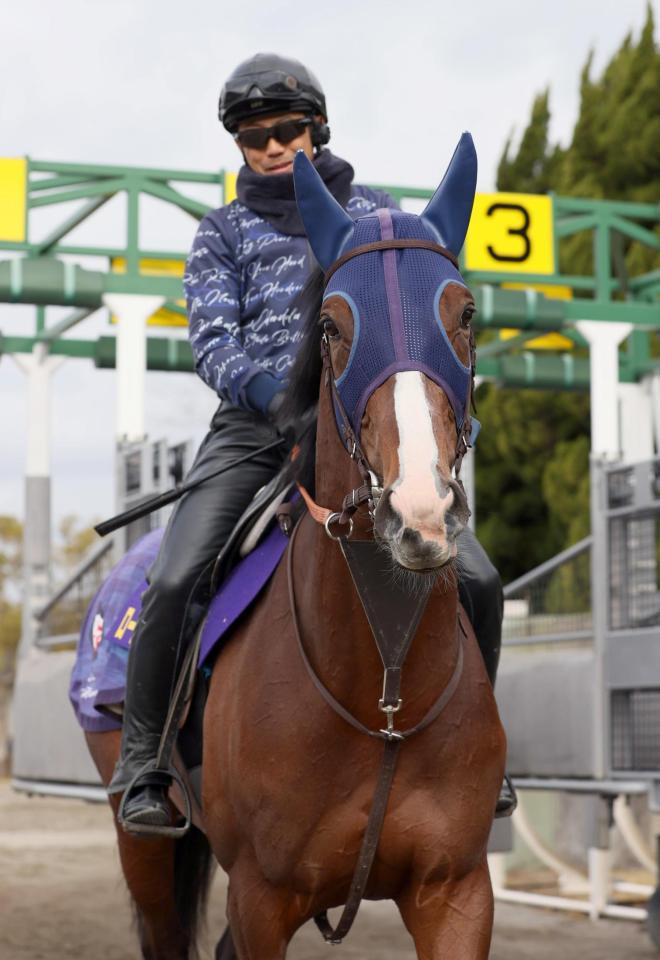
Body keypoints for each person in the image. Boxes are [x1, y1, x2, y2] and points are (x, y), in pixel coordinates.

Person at [108, 52, 515, 834]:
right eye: (253, 137)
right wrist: (275, 402)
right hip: (256, 431)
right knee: (173, 579)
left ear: (317, 127)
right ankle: (146, 766)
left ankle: (480, 754)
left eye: (286, 130)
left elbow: (411, 321)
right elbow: (213, 343)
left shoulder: (378, 214)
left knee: (483, 580)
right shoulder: (219, 232)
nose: (271, 146)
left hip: (363, 430)